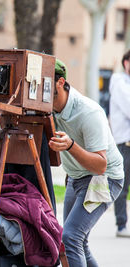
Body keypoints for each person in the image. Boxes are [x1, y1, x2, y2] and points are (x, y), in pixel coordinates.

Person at [49, 59, 124, 267]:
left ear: (59, 82)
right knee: (78, 242)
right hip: (77, 177)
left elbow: (100, 165)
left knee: (71, 238)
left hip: (105, 178)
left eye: (44, 85)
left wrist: (70, 145)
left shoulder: (89, 112)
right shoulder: (47, 109)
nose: (38, 92)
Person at [109, 50, 130, 238]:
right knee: (122, 186)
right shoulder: (119, 82)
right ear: (126, 63)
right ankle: (122, 224)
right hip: (125, 142)